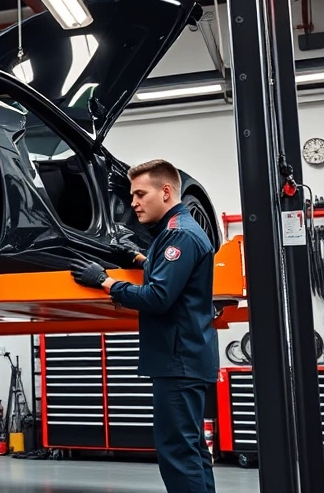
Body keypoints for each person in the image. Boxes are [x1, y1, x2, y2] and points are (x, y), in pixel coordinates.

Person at [69, 159, 218, 493]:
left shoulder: (178, 234)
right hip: (187, 358)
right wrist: (139, 258)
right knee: (192, 449)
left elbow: (158, 296)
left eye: (140, 194)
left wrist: (106, 282)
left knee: (178, 452)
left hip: (178, 362)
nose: (133, 203)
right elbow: (174, 277)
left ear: (165, 192)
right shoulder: (181, 229)